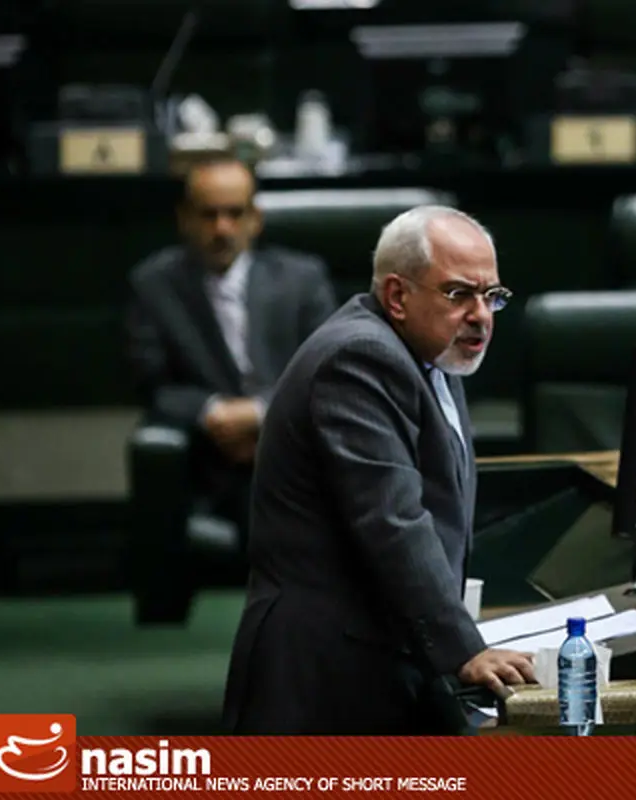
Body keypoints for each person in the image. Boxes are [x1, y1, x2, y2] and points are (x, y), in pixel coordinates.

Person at [221, 205, 536, 735]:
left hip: (380, 648)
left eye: (492, 295)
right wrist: (464, 649)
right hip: (322, 674)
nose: (482, 315)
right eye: (459, 293)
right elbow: (393, 521)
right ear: (397, 296)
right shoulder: (360, 358)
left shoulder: (429, 352)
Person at [125, 156, 337, 534]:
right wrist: (214, 414)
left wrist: (259, 415)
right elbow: (151, 384)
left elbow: (330, 372)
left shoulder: (303, 279)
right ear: (184, 218)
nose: (222, 228)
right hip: (213, 457)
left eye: (235, 214)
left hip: (298, 443)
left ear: (255, 219)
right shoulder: (154, 285)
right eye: (208, 215)